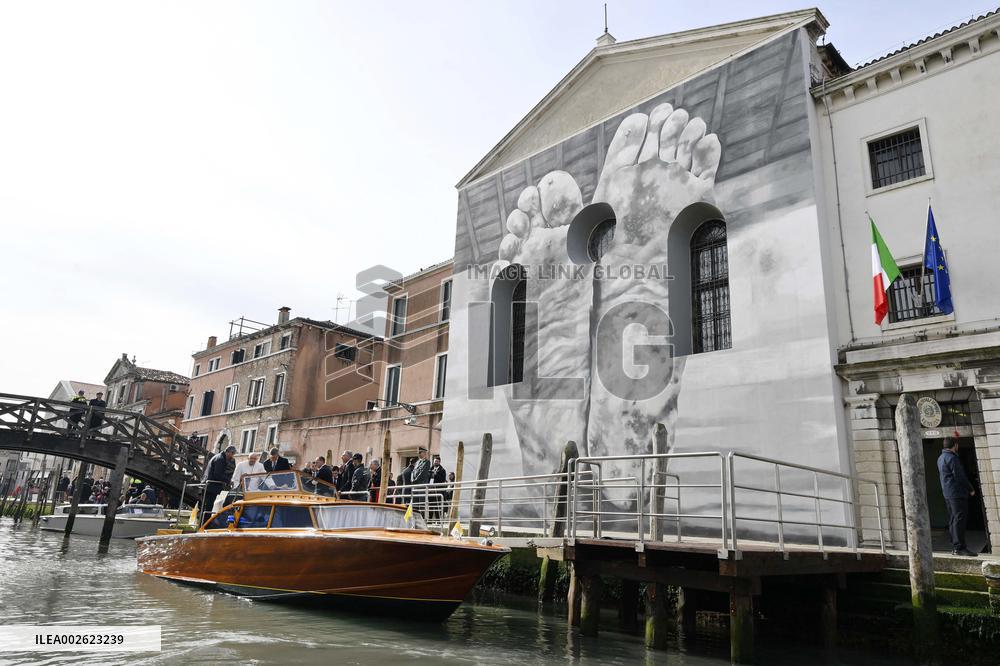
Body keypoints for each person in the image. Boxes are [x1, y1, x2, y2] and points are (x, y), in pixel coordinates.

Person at [938, 437, 977, 557]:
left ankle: (955, 547)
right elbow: (959, 476)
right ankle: (960, 547)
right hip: (957, 493)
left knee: (953, 520)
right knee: (959, 520)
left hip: (948, 493)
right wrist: (970, 488)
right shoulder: (952, 458)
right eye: (957, 445)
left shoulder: (941, 458)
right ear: (955, 446)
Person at [203, 445, 237, 524]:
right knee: (208, 507)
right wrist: (229, 481)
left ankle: (205, 523)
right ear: (228, 452)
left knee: (208, 507)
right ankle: (205, 524)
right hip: (211, 486)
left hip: (210, 486)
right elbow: (217, 474)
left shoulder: (219, 457)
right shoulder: (220, 459)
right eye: (232, 453)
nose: (232, 456)